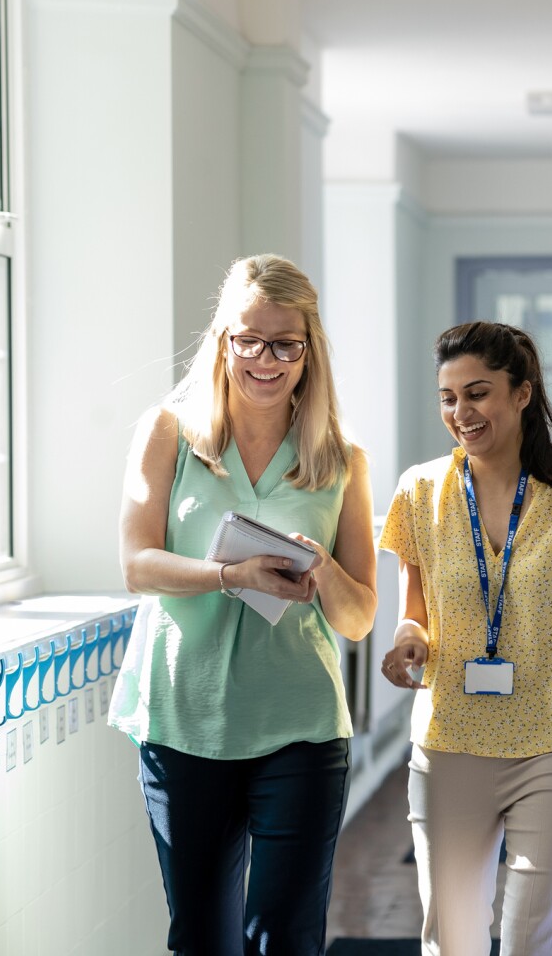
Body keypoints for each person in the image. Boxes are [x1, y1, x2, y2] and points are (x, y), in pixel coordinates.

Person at [108, 254, 377, 956]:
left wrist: (319, 568)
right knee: (203, 939)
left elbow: (358, 618)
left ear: (308, 350)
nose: (265, 359)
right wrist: (233, 575)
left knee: (284, 938)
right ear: (224, 339)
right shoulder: (168, 432)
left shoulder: (340, 460)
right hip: (183, 717)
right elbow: (137, 566)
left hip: (299, 722)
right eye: (249, 339)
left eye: (285, 343)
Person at [379, 320, 552, 956]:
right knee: (454, 939)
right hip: (448, 745)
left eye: (478, 393)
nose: (461, 412)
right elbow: (414, 612)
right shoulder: (419, 492)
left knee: (533, 941)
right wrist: (408, 639)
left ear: (522, 394)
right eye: (448, 397)